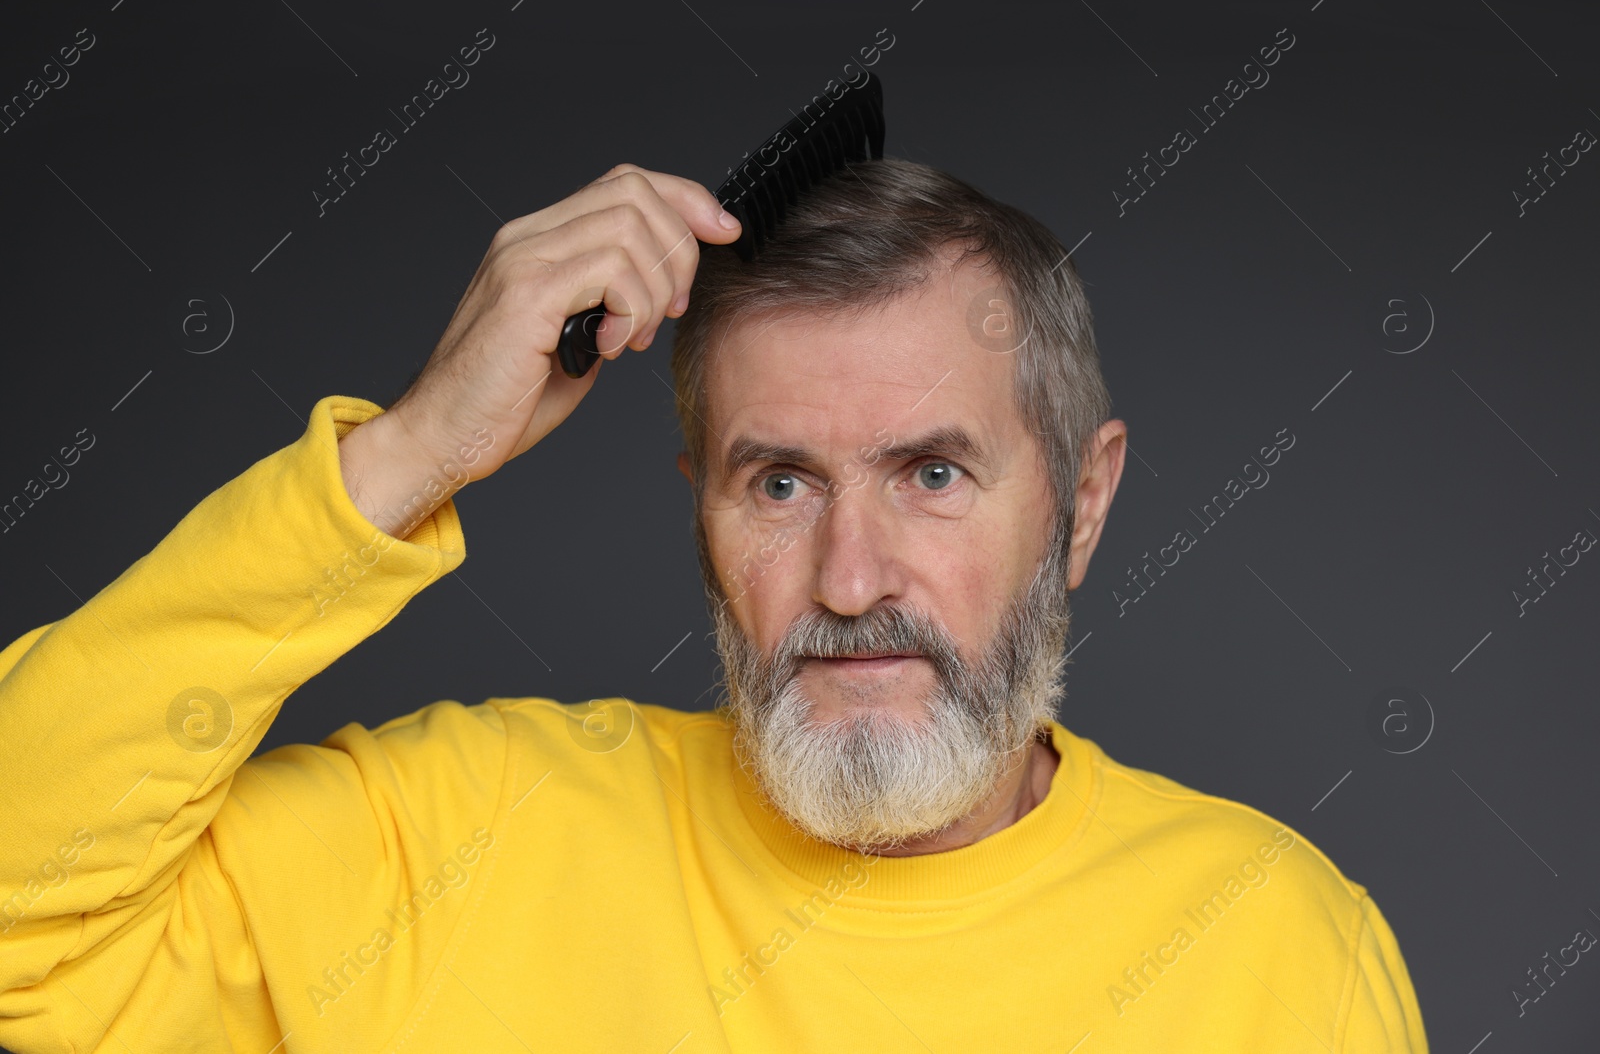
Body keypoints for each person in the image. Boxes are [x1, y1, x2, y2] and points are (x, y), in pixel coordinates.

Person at [0, 159, 1428, 1052]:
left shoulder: (1277, 956)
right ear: (699, 501)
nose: (850, 581)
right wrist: (410, 451)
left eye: (932, 473)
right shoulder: (457, 846)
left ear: (1083, 504)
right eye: (781, 485)